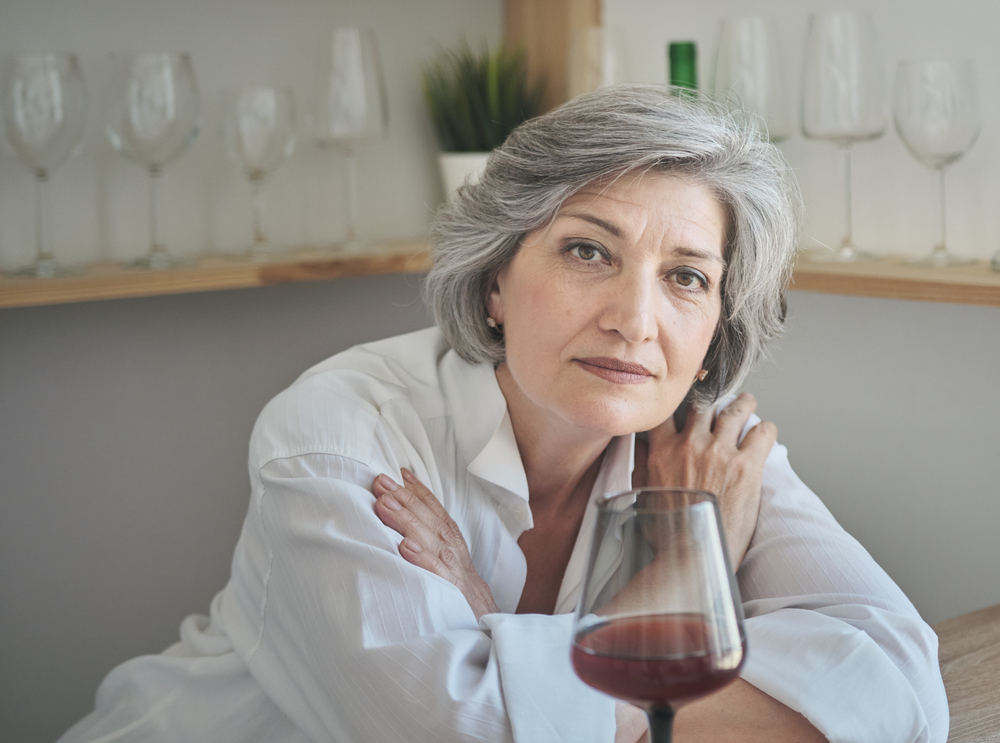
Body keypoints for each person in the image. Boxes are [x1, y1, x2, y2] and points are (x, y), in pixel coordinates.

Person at [59, 85, 948, 743]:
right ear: (494, 283)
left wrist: (498, 635)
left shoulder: (707, 452)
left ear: (717, 324)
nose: (636, 320)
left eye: (686, 276)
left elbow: (897, 692)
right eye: (588, 251)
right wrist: (680, 573)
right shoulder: (337, 436)